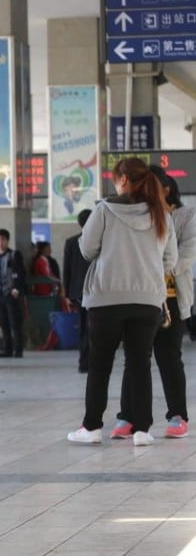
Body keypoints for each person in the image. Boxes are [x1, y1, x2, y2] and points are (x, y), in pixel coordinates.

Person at [67, 157, 177, 447]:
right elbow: (171, 260)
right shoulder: (161, 214)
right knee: (140, 364)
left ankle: (92, 428)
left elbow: (87, 250)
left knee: (100, 365)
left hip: (106, 298)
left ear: (123, 179)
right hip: (147, 300)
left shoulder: (104, 210)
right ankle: (141, 430)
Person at [112, 166, 195, 440]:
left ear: (166, 189)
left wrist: (151, 268)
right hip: (140, 296)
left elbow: (185, 255)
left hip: (171, 298)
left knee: (169, 357)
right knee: (135, 358)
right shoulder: (135, 214)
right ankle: (127, 416)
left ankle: (177, 415)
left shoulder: (185, 216)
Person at [62, 209, 92, 372]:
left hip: (78, 292)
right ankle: (92, 360)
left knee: (83, 328)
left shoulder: (71, 242)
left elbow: (66, 270)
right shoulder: (100, 241)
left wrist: (67, 293)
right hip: (95, 291)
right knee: (94, 327)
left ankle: (84, 362)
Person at [0, 229, 27, 358]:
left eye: (3, 240)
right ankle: (7, 350)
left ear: (7, 241)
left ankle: (18, 350)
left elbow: (21, 272)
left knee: (14, 323)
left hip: (11, 294)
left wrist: (16, 289)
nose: (0, 243)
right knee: (4, 323)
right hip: (0, 295)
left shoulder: (14, 255)